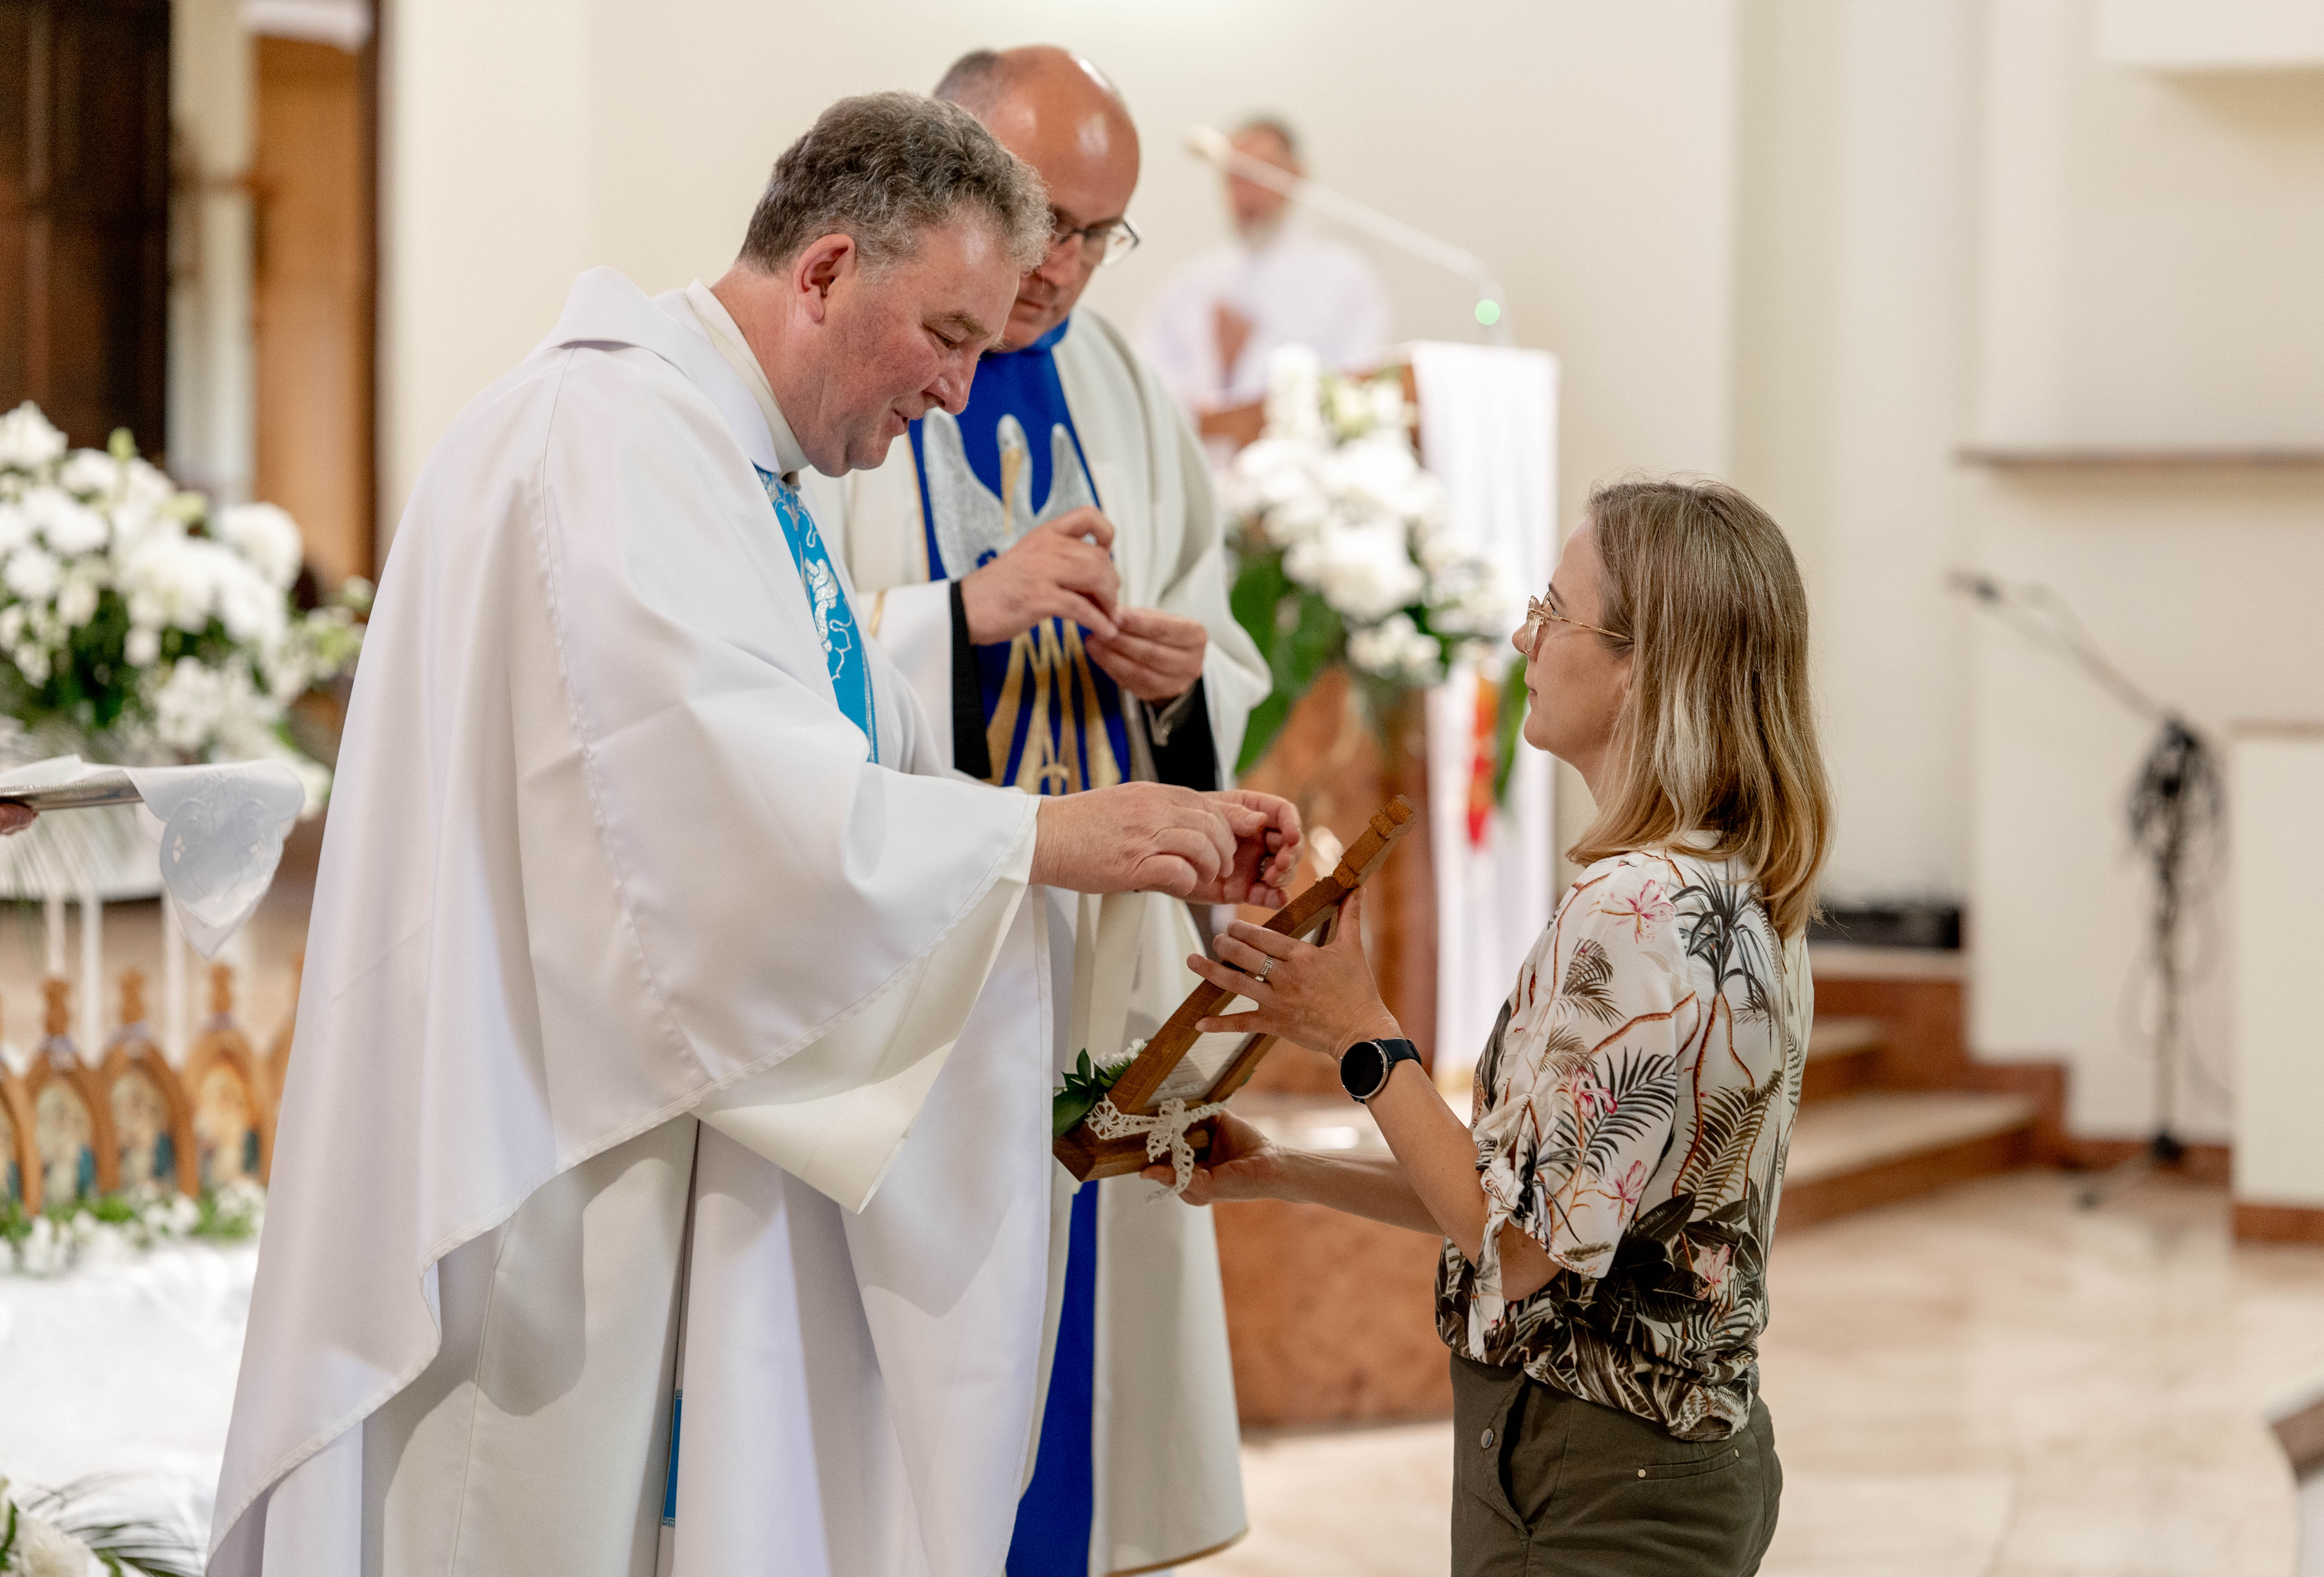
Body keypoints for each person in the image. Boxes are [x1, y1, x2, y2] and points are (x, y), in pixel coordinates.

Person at [207, 93, 1299, 1577]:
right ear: (828, 269)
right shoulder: (614, 441)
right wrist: (1045, 844)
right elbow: (716, 819)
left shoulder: (722, 459)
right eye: (949, 337)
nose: (960, 394)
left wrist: (1153, 824)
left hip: (606, 1109)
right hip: (525, 1154)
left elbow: (847, 730)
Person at [1150, 479, 1831, 1576]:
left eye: (1554, 612)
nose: (1524, 639)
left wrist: (1364, 1039)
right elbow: (1532, 1204)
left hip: (1590, 1477)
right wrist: (1280, 1169)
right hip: (1680, 1456)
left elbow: (1518, 1256)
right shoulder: (1730, 878)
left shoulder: (1633, 907)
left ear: (1642, 665)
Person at [812, 50, 1267, 1577]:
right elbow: (773, 660)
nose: (1062, 265)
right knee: (916, 1392)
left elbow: (1215, 636)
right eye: (1043, 218)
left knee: (1084, 1362)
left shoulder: (1120, 384)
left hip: (1103, 953)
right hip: (928, 959)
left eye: (1099, 233)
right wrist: (960, 617)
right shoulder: (844, 355)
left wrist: (1180, 683)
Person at [1136, 116, 1389, 422]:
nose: (1246, 193)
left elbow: (1353, 393)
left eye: (1259, 174)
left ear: (1297, 176)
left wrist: (1251, 354)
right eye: (1233, 178)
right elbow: (1148, 384)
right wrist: (1217, 374)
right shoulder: (1191, 284)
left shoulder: (1345, 278)